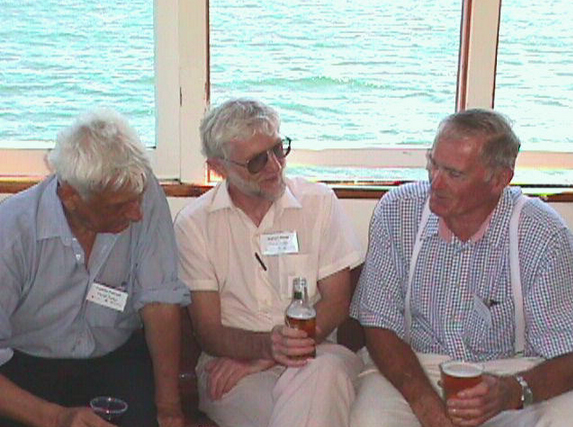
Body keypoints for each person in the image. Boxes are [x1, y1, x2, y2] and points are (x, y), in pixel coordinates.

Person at [349, 108, 573, 427]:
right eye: (433, 164)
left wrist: (512, 391)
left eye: (454, 174)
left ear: (499, 180)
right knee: (371, 421)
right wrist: (425, 403)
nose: (435, 183)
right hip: (414, 366)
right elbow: (378, 324)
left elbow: (566, 352)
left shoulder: (542, 233)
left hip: (511, 371)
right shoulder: (397, 211)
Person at [174, 98, 364, 427]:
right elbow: (208, 331)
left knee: (324, 374)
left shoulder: (318, 203)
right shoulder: (194, 224)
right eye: (257, 161)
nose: (275, 167)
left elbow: (337, 302)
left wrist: (272, 355)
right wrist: (264, 349)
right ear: (218, 167)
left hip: (317, 355)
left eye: (278, 149)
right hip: (231, 366)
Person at [0, 109, 190, 427]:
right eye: (119, 206)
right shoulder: (12, 232)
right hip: (26, 367)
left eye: (138, 199)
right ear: (71, 196)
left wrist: (169, 407)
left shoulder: (139, 193)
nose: (137, 214)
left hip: (115, 360)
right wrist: (57, 418)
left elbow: (160, 302)